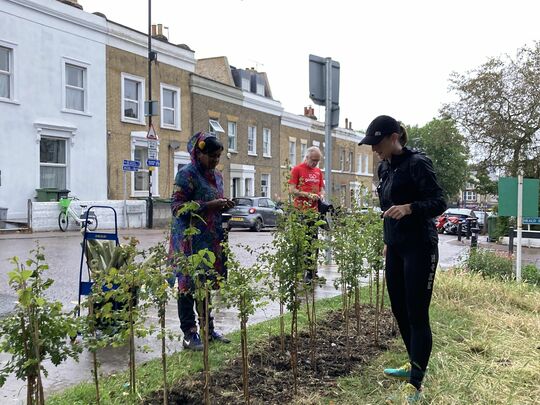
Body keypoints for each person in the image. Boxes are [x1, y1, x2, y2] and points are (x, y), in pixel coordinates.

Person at [359, 115, 446, 403]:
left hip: (420, 245)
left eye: (377, 142)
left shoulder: (418, 163)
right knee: (399, 309)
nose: (374, 149)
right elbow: (386, 209)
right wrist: (387, 241)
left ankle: (417, 383)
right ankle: (413, 361)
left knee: (417, 313)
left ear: (394, 137)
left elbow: (439, 202)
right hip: (395, 247)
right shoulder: (384, 167)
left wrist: (410, 208)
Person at [169, 131, 235, 351]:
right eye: (212, 156)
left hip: (210, 239)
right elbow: (177, 208)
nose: (216, 161)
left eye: (218, 156)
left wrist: (224, 204)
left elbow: (214, 202)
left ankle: (208, 329)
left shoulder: (217, 176)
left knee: (205, 284)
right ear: (199, 153)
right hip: (188, 241)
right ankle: (189, 334)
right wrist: (209, 205)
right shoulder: (186, 175)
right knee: (187, 286)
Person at [288, 146, 325, 281]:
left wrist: (320, 195)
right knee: (303, 243)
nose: (315, 163)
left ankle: (312, 271)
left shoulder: (318, 172)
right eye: (313, 160)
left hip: (314, 212)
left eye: (317, 161)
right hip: (301, 211)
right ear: (307, 157)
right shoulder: (297, 169)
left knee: (313, 242)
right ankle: (301, 272)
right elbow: (292, 189)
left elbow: (321, 189)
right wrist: (308, 195)